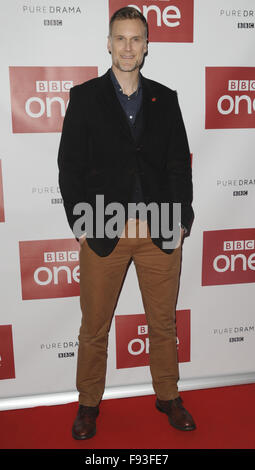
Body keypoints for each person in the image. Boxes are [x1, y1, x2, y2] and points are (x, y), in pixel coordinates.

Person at [58, 7, 195, 440]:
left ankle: (167, 395)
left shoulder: (165, 97)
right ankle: (88, 404)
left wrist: (183, 218)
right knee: (94, 325)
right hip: (103, 230)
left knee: (163, 322)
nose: (128, 47)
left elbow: (178, 166)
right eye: (121, 38)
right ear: (108, 42)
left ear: (148, 45)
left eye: (136, 39)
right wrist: (82, 223)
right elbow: (69, 167)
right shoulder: (85, 97)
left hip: (159, 230)